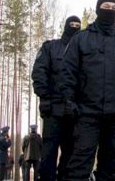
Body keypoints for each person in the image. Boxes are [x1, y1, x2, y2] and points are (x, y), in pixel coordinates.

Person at [61, 0, 115, 181]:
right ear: (98, 9)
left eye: (114, 7)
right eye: (106, 6)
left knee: (111, 165)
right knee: (79, 165)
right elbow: (68, 72)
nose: (110, 9)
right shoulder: (81, 39)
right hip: (86, 114)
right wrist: (68, 101)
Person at [32, 15, 81, 181]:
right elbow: (39, 72)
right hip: (53, 108)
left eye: (78, 25)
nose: (75, 27)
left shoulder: (83, 51)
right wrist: (44, 97)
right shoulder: (51, 47)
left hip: (74, 110)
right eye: (72, 24)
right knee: (49, 151)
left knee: (71, 151)